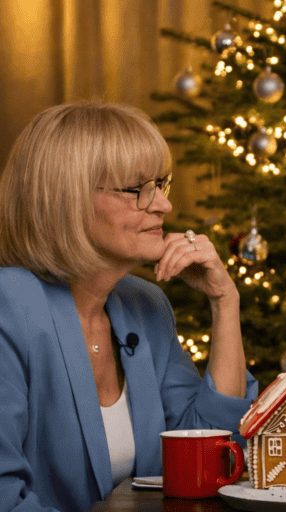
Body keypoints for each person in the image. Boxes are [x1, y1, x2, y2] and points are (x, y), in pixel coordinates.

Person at [0, 101, 260, 512]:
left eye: (160, 184)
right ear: (65, 199)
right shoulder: (9, 305)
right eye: (137, 189)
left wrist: (225, 301)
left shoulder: (145, 303)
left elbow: (211, 455)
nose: (163, 206)